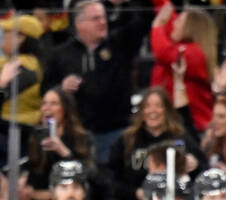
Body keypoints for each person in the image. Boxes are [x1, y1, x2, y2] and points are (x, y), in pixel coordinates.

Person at [44, 0, 151, 166]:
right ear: (80, 23)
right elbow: (45, 89)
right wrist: (61, 88)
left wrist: (124, 4)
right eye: (96, 18)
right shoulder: (61, 54)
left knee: (115, 177)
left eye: (103, 17)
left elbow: (144, 20)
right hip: (78, 134)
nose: (103, 22)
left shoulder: (119, 44)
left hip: (116, 130)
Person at [106, 86, 204, 200]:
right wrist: (135, 193)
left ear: (167, 110)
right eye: (147, 106)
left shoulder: (181, 137)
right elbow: (111, 179)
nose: (153, 111)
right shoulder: (127, 140)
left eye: (158, 105)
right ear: (141, 111)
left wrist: (195, 166)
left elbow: (203, 170)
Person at [0, 14, 44, 158]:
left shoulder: (28, 67)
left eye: (8, 32)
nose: (3, 36)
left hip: (17, 134)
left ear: (21, 38)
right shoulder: (4, 62)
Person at [21, 87, 97, 200]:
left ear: (65, 109)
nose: (47, 108)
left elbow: (91, 175)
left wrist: (64, 151)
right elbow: (31, 184)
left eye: (54, 103)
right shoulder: (35, 137)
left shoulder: (81, 138)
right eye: (44, 103)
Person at [150, 2, 218, 134]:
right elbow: (168, 17)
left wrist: (157, 26)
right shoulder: (182, 47)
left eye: (179, 20)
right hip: (174, 125)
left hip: (193, 129)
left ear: (191, 27)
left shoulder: (196, 53)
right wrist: (164, 5)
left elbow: (162, 52)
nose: (174, 23)